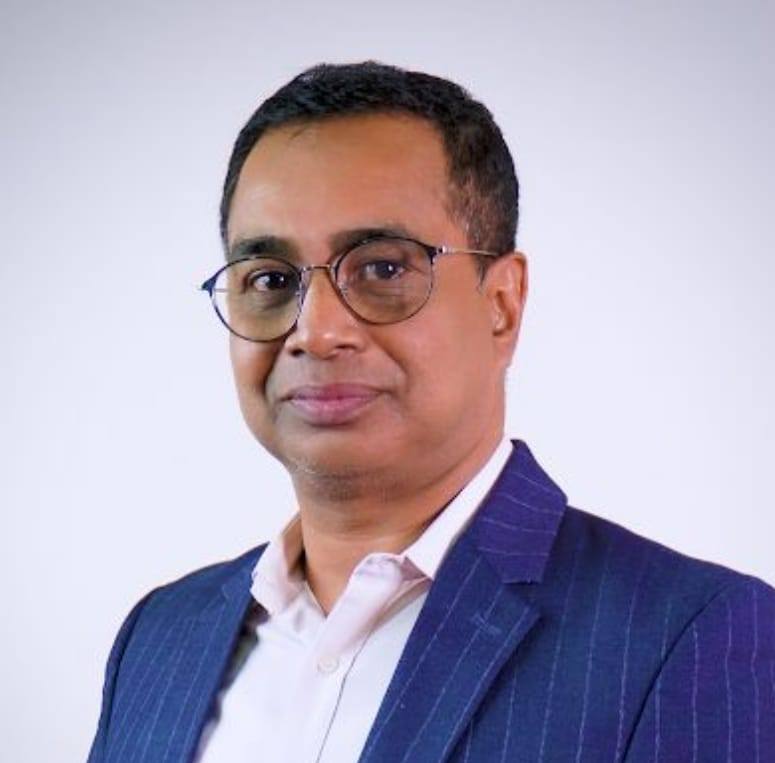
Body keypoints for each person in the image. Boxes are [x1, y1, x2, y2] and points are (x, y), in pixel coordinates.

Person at [87, 62, 775, 763]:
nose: (316, 331)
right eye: (270, 279)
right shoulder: (160, 638)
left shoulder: (687, 638)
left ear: (501, 305)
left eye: (382, 268)